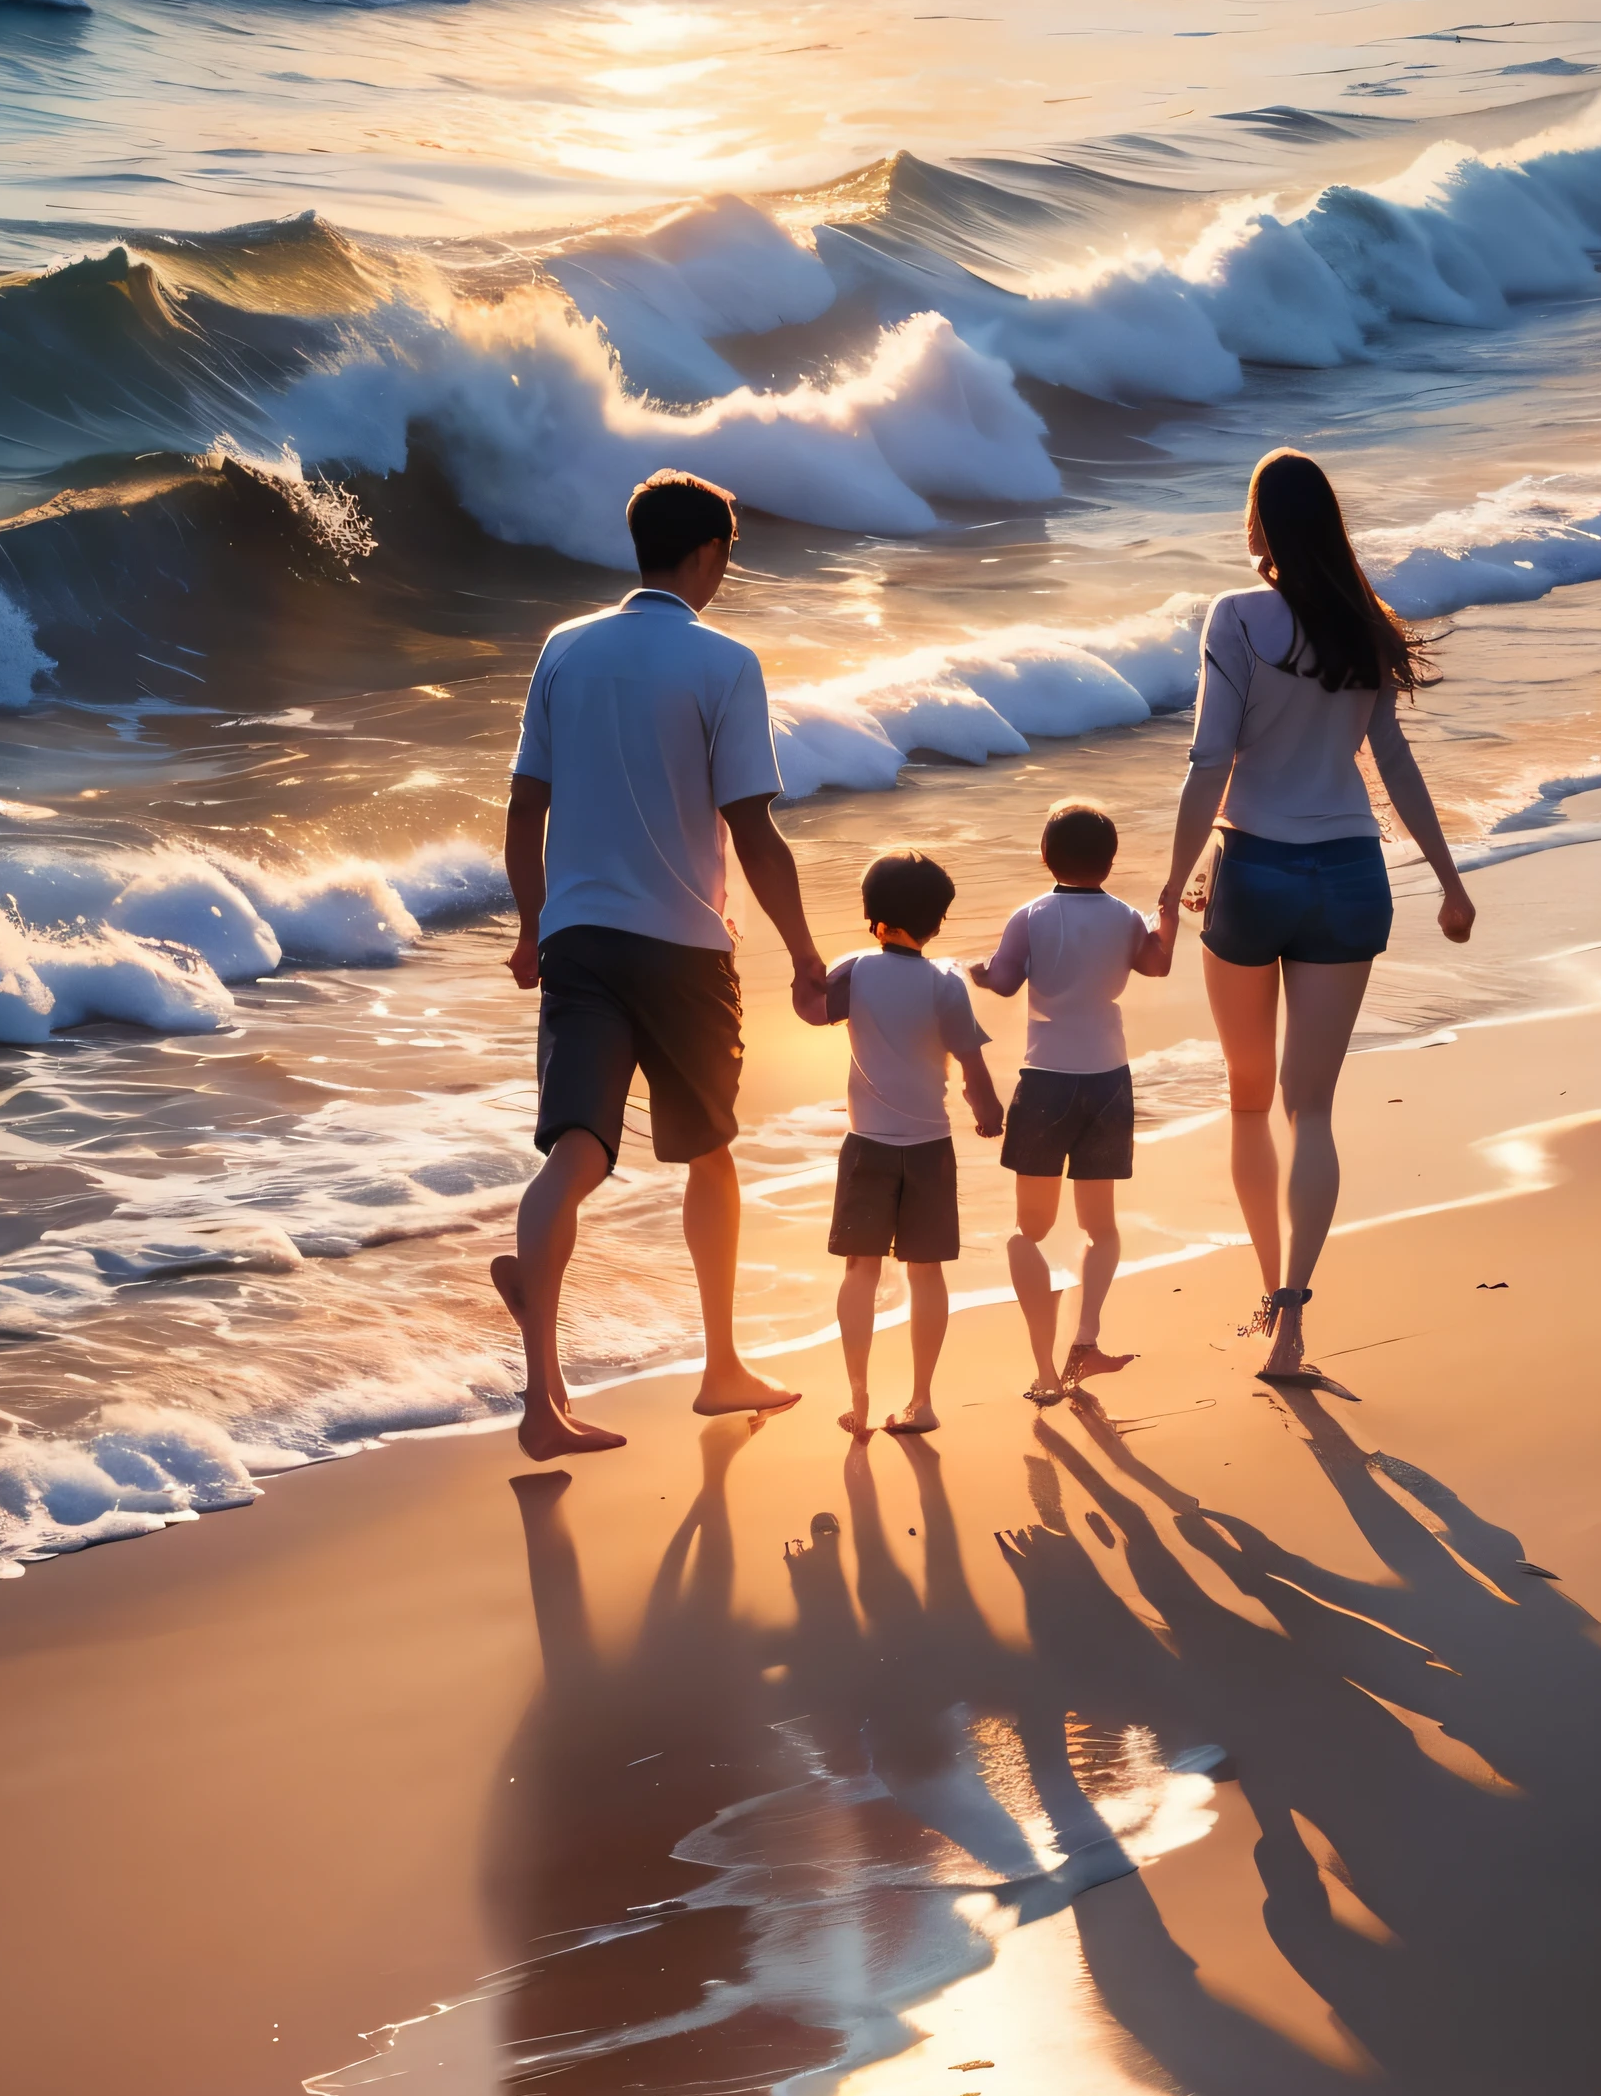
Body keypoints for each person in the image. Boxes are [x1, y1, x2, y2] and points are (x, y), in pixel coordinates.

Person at [494, 469, 829, 1459]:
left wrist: (530, 924)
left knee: (578, 1152)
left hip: (579, 940)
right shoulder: (724, 662)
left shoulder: (565, 649)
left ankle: (543, 1402)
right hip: (685, 946)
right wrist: (806, 952)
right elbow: (752, 829)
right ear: (709, 556)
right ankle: (721, 1365)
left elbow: (524, 809)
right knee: (708, 1151)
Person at [1155, 448, 1475, 1384]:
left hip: (1252, 871)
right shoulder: (1362, 626)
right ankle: (1295, 1318)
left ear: (1260, 525)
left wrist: (1169, 892)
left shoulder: (1237, 617)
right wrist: (1449, 881)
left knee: (1250, 1100)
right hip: (1349, 874)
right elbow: (1394, 762)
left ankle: (1268, 1295)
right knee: (1314, 1109)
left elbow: (1209, 761)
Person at [973, 796, 1172, 1405]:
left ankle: (1044, 1368)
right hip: (1108, 1079)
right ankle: (1085, 1339)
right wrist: (1168, 921)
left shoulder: (1030, 915)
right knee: (1100, 1226)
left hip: (1046, 1081)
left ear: (1044, 857)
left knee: (1028, 1232)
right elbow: (1156, 966)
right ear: (1110, 861)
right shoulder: (1125, 917)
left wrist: (972, 970)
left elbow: (1004, 982)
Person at [824, 851, 1001, 1442]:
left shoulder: (852, 970)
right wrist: (989, 1113)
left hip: (867, 1145)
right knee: (926, 1275)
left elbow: (809, 1010)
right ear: (937, 922)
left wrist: (805, 964)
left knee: (860, 1270)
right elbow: (972, 1068)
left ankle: (857, 1394)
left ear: (870, 913)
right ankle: (922, 1399)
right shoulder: (946, 981)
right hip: (930, 1148)